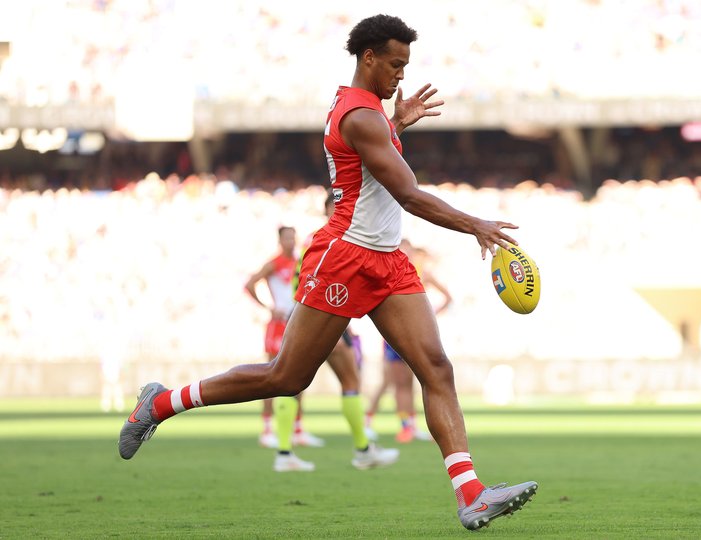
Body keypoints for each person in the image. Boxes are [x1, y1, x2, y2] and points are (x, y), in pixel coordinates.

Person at [119, 14, 537, 531]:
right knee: (286, 377)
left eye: (406, 66)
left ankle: (470, 494)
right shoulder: (361, 117)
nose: (401, 76)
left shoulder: (371, 115)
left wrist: (397, 122)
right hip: (344, 256)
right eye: (395, 64)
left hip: (387, 260)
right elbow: (405, 192)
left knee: (436, 367)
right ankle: (160, 403)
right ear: (369, 58)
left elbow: (372, 162)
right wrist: (474, 224)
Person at [271, 190, 399, 472]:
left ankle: (284, 453)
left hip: (311, 316)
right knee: (346, 380)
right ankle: (363, 449)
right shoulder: (333, 239)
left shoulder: (317, 239)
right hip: (321, 317)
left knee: (292, 382)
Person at [243, 226, 324, 450]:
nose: (291, 241)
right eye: (287, 237)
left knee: (300, 374)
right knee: (271, 374)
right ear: (280, 240)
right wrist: (268, 308)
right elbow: (249, 285)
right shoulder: (274, 263)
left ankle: (298, 428)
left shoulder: (299, 261)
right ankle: (267, 429)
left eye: (293, 237)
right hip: (278, 324)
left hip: (296, 322)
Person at [365, 240, 452, 443]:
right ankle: (403, 426)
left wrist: (431, 315)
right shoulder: (400, 271)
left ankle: (408, 426)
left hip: (408, 331)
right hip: (399, 333)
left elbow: (448, 297)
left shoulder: (410, 272)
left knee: (409, 382)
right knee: (400, 382)